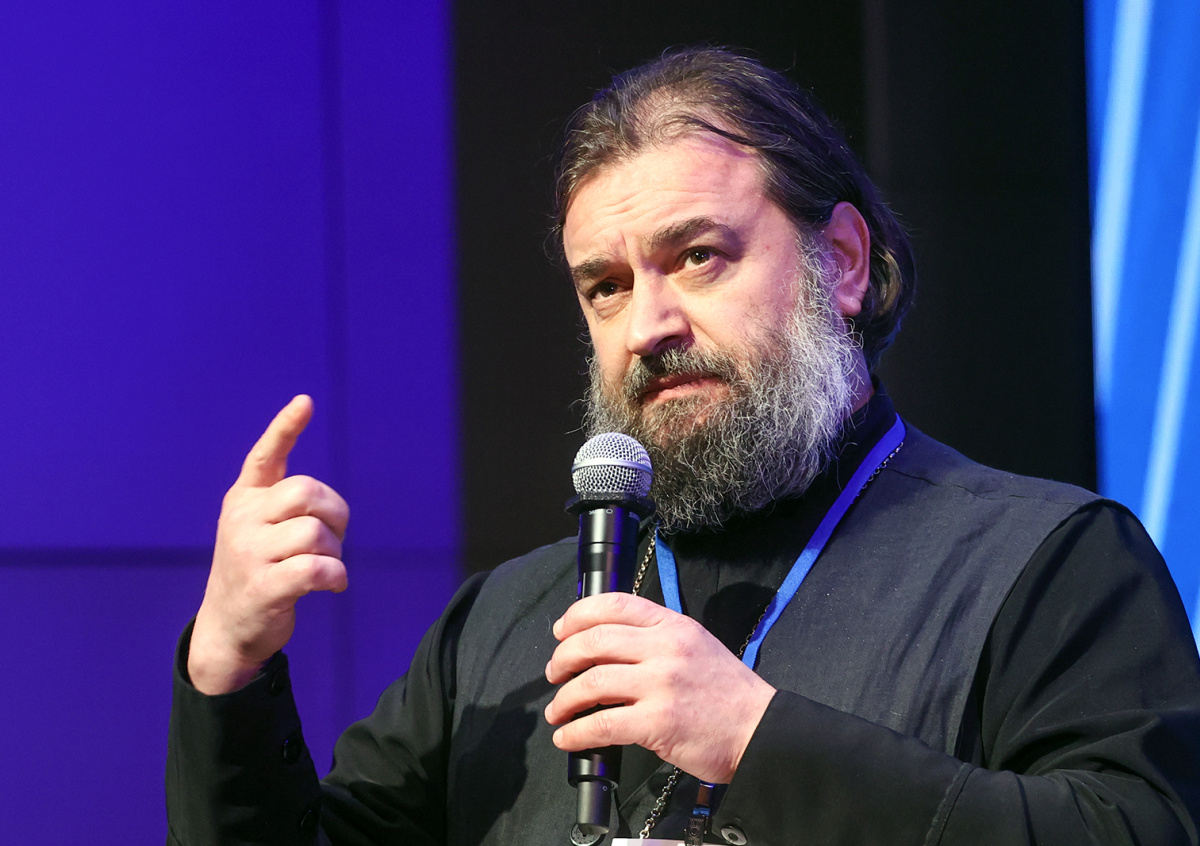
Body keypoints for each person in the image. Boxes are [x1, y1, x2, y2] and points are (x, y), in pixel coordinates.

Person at [167, 48, 1200, 845]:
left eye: (698, 256)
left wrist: (758, 740)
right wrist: (229, 666)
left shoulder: (1049, 562)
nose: (646, 326)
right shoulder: (501, 629)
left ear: (842, 262)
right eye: (605, 287)